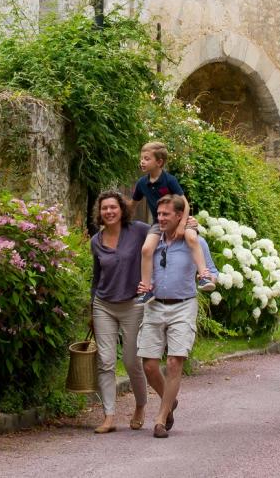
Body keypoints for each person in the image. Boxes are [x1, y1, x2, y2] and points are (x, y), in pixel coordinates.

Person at [137, 194, 219, 438]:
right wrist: (142, 286)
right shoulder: (153, 243)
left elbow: (211, 271)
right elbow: (143, 268)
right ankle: (169, 401)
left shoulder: (195, 243)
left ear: (180, 216)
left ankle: (161, 418)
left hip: (183, 305)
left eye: (166, 214)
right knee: (149, 365)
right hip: (154, 305)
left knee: (174, 362)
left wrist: (207, 278)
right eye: (159, 214)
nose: (160, 218)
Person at [90, 190, 149, 434]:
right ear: (100, 213)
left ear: (121, 209)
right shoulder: (96, 240)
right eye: (105, 208)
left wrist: (187, 221)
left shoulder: (138, 230)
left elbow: (164, 231)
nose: (109, 212)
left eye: (113, 207)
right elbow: (96, 277)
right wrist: (90, 309)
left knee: (131, 360)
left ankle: (140, 406)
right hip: (103, 304)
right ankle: (109, 416)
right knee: (105, 362)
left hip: (133, 304)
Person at [131, 141, 214, 304]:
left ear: (159, 162)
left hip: (180, 218)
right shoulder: (142, 183)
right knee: (147, 249)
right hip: (159, 222)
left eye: (147, 159)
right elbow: (132, 205)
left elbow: (185, 204)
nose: (142, 162)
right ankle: (146, 290)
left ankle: (204, 276)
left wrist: (183, 224)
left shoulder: (169, 180)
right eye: (141, 158)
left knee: (191, 238)